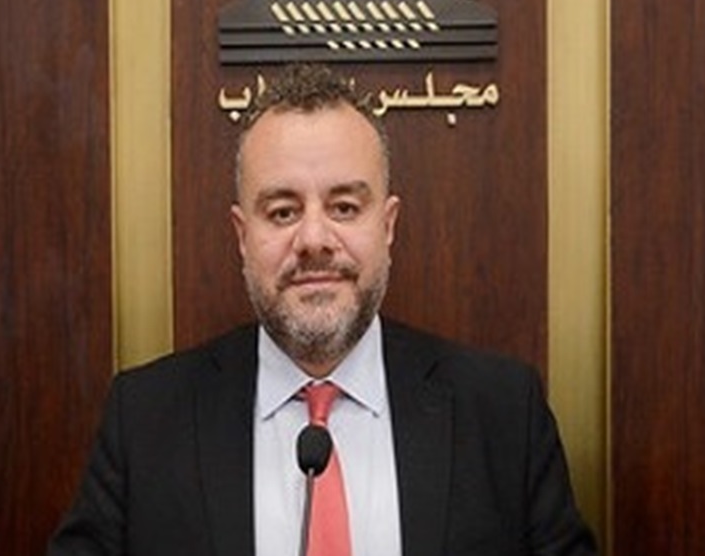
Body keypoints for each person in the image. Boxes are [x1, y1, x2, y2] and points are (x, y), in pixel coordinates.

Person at [49, 63, 596, 556]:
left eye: (344, 207)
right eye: (283, 212)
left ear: (388, 226)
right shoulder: (145, 420)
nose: (314, 239)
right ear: (242, 236)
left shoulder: (503, 413)